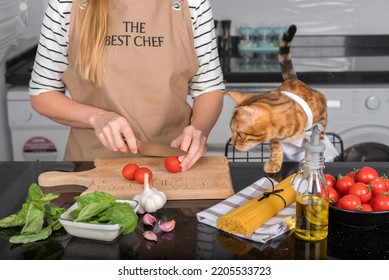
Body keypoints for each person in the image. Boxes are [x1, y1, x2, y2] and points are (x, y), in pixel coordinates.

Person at [29, 0, 224, 171]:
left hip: (175, 163)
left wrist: (199, 130)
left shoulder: (192, 4)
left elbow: (209, 88)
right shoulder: (65, 5)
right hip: (91, 167)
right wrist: (96, 118)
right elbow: (43, 93)